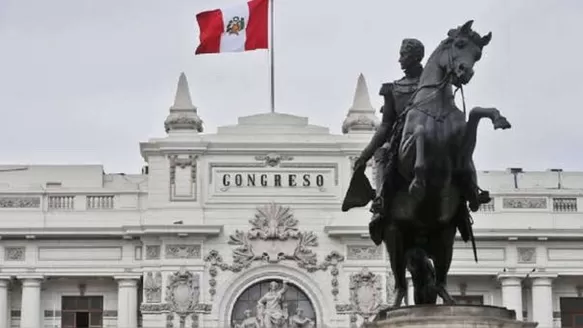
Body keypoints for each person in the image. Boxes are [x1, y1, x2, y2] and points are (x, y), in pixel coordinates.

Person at [353, 38, 426, 246]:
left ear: (415, 57)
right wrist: (365, 154)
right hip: (401, 138)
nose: (400, 59)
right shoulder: (393, 89)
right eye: (401, 54)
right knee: (383, 154)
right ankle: (381, 201)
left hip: (430, 134)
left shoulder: (432, 85)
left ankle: (471, 189)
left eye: (403, 55)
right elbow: (385, 126)